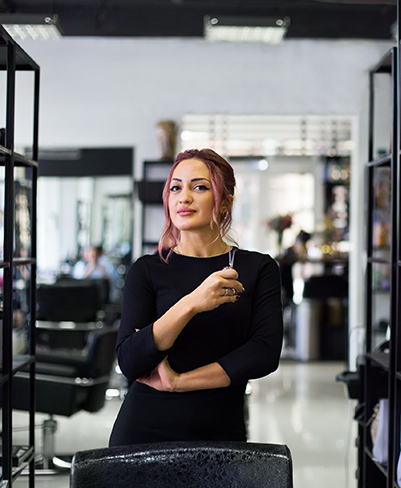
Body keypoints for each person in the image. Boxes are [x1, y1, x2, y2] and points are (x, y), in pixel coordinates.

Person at [109, 148, 284, 446]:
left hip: (222, 431)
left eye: (199, 187)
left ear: (226, 201)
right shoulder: (148, 270)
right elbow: (131, 359)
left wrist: (179, 382)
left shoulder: (258, 268)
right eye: (176, 187)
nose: (184, 197)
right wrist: (192, 303)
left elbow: (264, 354)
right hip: (144, 430)